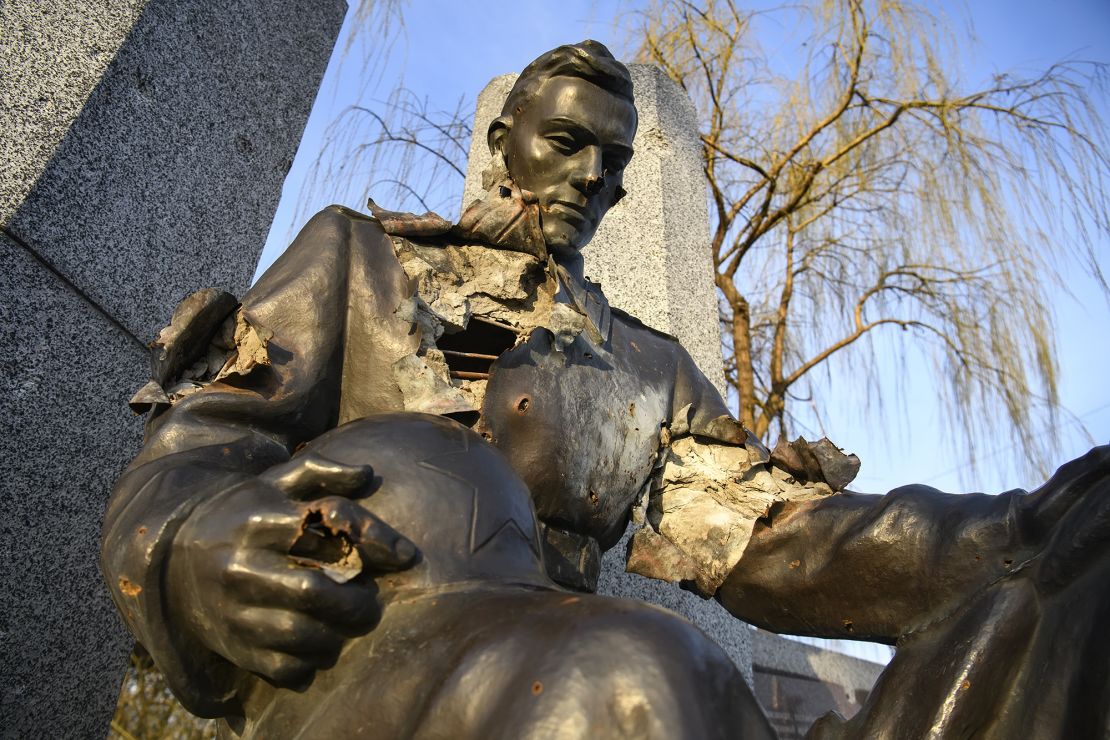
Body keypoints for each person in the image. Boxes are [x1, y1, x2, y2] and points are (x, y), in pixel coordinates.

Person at [102, 40, 1110, 738]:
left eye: (614, 160)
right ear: (505, 142)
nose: (593, 174)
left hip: (541, 669)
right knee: (640, 676)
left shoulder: (647, 365)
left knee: (1058, 616)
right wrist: (188, 552)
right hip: (351, 650)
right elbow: (195, 449)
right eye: (568, 142)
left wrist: (1021, 530)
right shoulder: (355, 260)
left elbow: (777, 534)